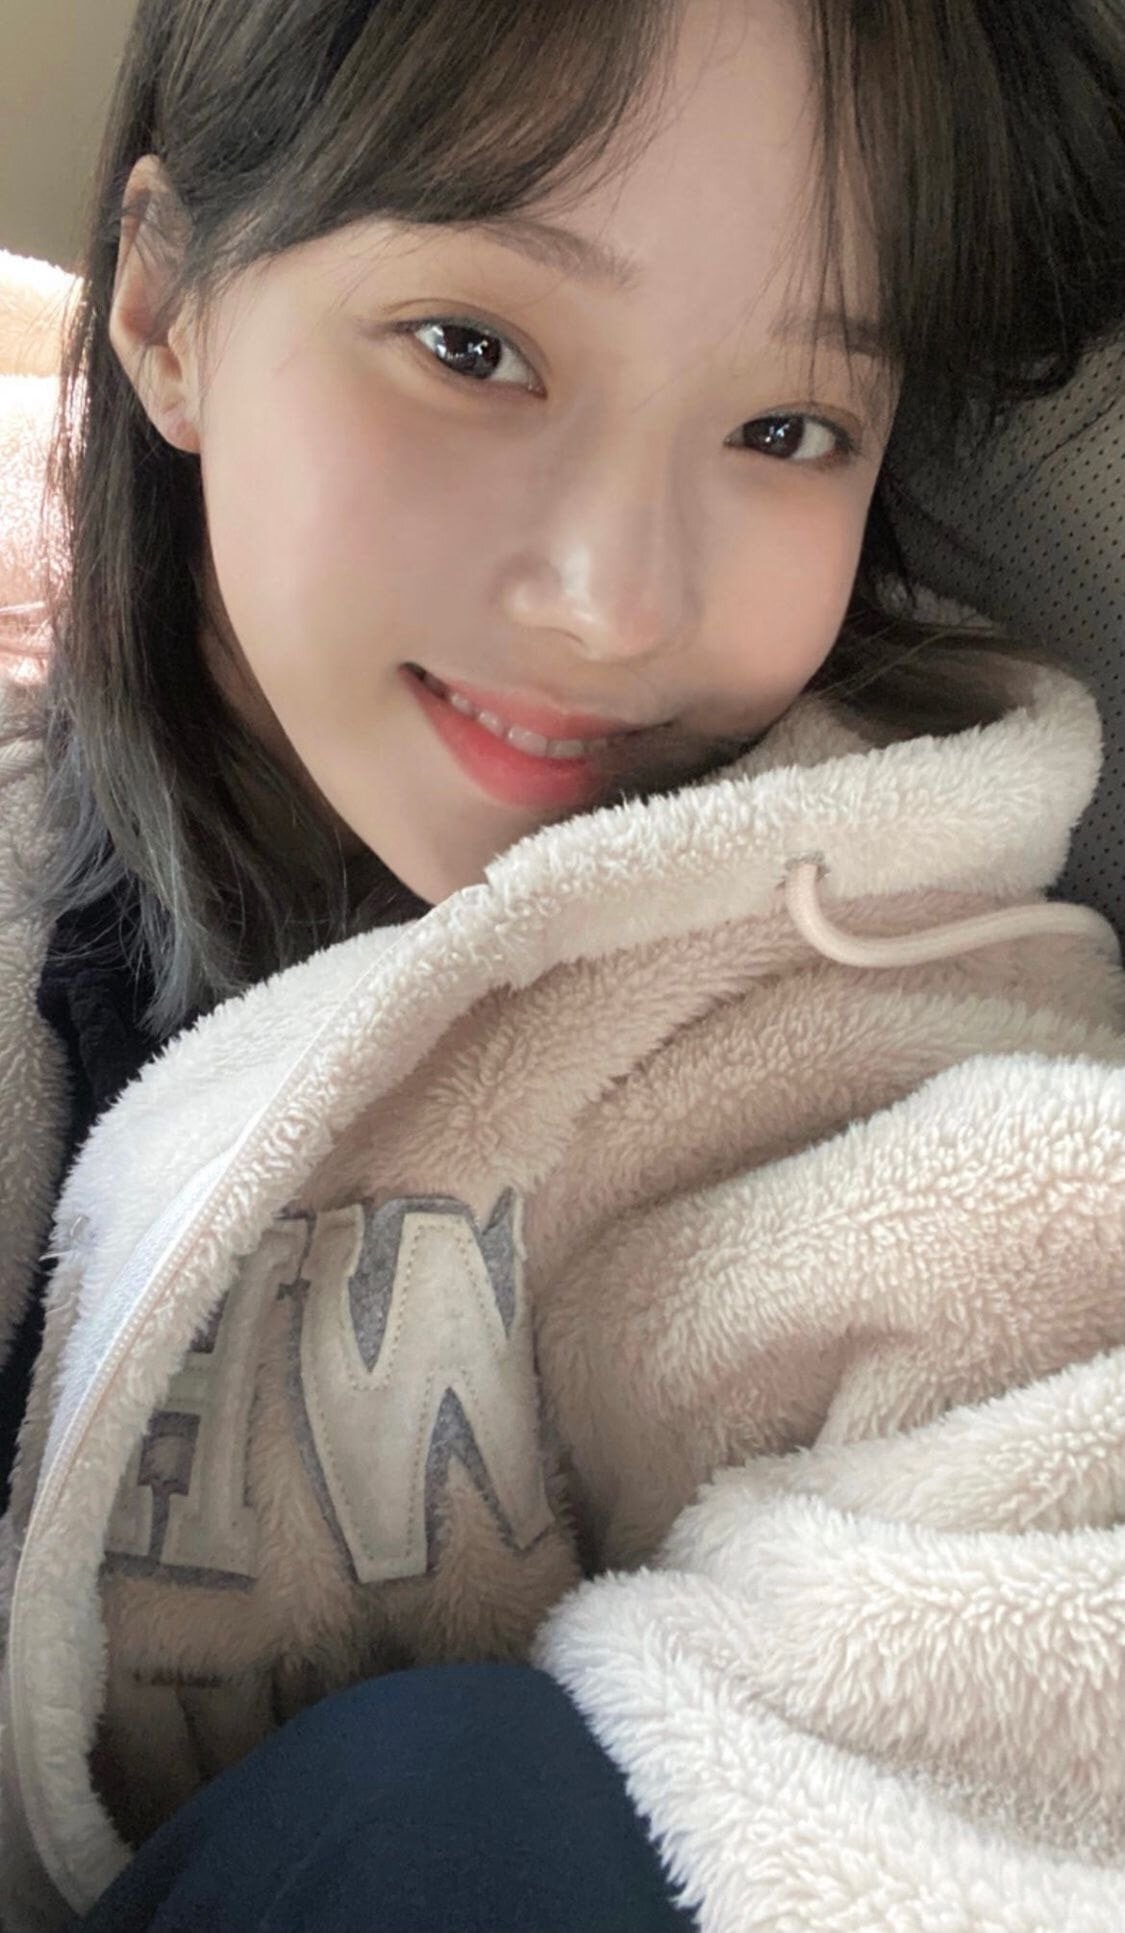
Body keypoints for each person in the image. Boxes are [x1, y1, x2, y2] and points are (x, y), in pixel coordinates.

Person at [0, 0, 1123, 1927]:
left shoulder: (861, 985)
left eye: (785, 429)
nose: (615, 602)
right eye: (472, 347)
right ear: (170, 310)